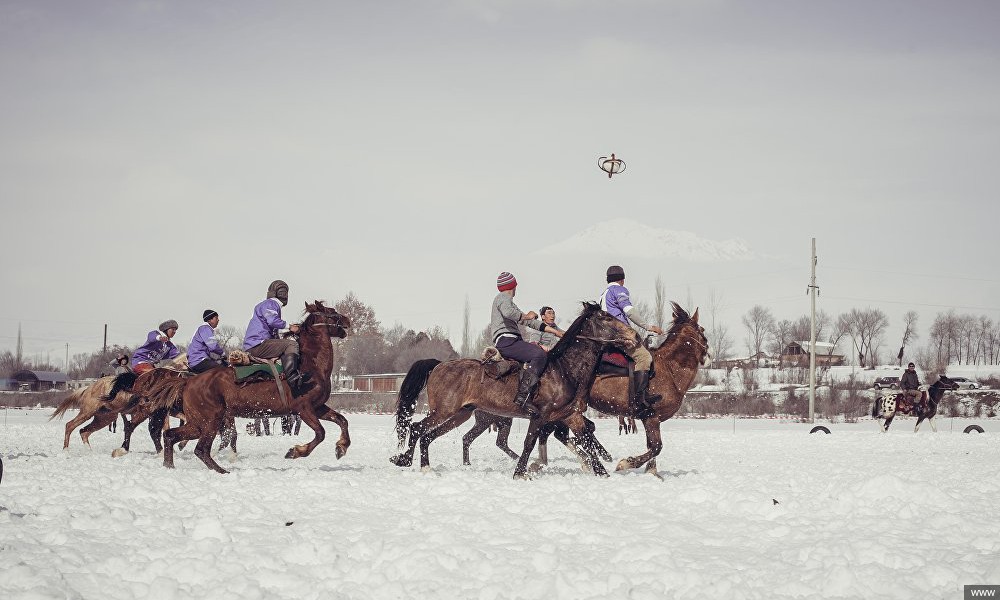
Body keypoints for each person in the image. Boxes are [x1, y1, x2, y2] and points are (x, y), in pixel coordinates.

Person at [491, 272, 564, 417]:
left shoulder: (509, 303)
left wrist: (557, 333)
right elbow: (509, 313)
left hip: (513, 341)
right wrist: (526, 315)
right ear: (513, 286)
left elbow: (530, 322)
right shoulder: (502, 298)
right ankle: (522, 397)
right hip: (506, 340)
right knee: (539, 354)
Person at [599, 265, 664, 416]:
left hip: (605, 335)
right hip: (618, 334)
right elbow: (629, 311)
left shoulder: (604, 293)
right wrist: (648, 326)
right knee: (644, 357)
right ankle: (640, 399)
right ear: (622, 279)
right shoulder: (619, 290)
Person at [243, 280, 309, 396]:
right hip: (257, 344)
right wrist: (290, 327)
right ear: (279, 293)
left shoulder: (269, 305)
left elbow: (272, 330)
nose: (286, 296)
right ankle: (293, 378)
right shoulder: (271, 304)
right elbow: (272, 321)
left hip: (258, 343)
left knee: (285, 344)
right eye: (284, 293)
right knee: (291, 344)